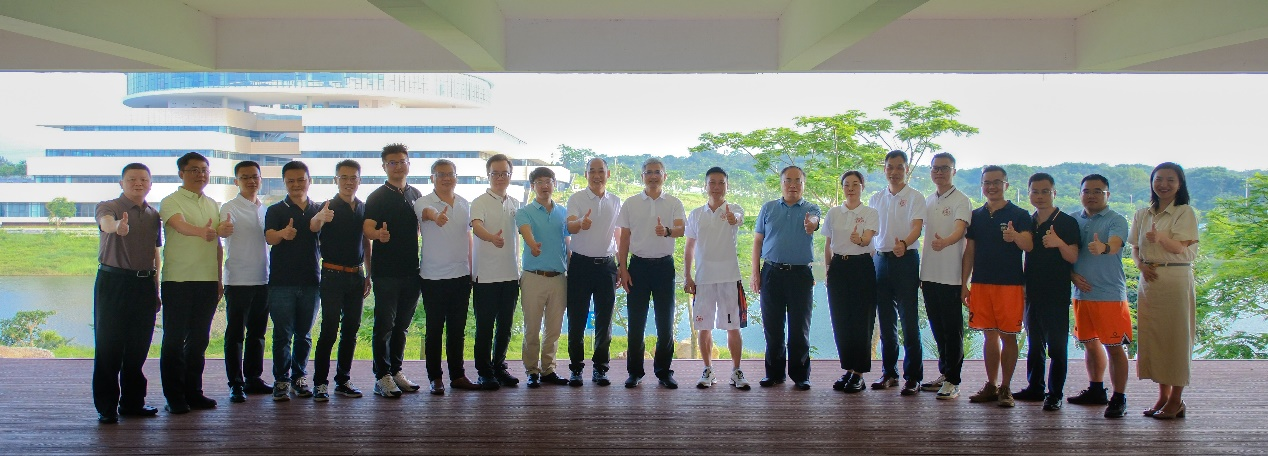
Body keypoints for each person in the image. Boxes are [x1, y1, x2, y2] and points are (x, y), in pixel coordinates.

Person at [92, 163, 161, 424]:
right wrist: (117, 226)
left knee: (138, 346)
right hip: (114, 282)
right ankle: (106, 407)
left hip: (144, 285)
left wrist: (156, 288)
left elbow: (155, 253)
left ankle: (132, 403)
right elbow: (106, 223)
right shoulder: (109, 206)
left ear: (150, 184)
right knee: (109, 346)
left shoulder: (153, 215)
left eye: (143, 179)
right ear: (121, 183)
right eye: (132, 179)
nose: (138, 183)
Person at [1129, 162, 1199, 420]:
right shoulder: (1142, 213)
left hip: (1175, 277)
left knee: (1176, 338)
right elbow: (1135, 249)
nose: (1163, 184)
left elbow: (1180, 248)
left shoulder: (1184, 211)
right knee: (1155, 338)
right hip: (1149, 280)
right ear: (1152, 182)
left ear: (1179, 185)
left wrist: (1160, 238)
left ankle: (1176, 400)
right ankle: (1163, 396)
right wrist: (1141, 266)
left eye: (1170, 180)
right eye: (1159, 179)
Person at [962, 165, 1033, 408]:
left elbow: (1029, 245)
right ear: (982, 185)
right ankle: (991, 385)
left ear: (1006, 185)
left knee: (1008, 336)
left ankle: (1006, 387)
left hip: (1010, 284)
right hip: (981, 284)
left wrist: (1015, 237)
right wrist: (964, 284)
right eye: (987, 182)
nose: (991, 187)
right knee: (988, 335)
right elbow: (969, 251)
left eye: (996, 182)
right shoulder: (976, 215)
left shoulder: (1020, 214)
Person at [158, 152, 223, 414]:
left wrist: (219, 279)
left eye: (204, 170)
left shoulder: (212, 204)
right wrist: (203, 232)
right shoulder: (170, 201)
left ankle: (194, 393)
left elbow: (218, 244)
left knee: (199, 341)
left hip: (207, 280)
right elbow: (179, 225)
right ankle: (174, 397)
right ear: (181, 173)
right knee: (174, 341)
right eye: (194, 170)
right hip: (178, 279)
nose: (200, 174)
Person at [617, 158, 686, 389]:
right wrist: (623, 268)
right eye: (648, 172)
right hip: (638, 267)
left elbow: (681, 229)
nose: (653, 176)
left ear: (665, 176)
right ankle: (635, 372)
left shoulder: (674, 203)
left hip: (664, 268)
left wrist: (666, 231)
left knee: (665, 323)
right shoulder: (631, 203)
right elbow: (624, 238)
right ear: (642, 176)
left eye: (657, 172)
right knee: (636, 322)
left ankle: (664, 372)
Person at [1014, 173, 1080, 411]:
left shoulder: (1066, 222)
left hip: (1056, 292)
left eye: (1045, 191)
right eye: (1035, 191)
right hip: (1032, 291)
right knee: (1034, 344)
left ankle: (1055, 393)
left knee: (1057, 347)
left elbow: (1073, 257)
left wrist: (1059, 243)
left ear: (1054, 193)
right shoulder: (1028, 221)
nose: (1040, 196)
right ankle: (1035, 387)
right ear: (1029, 193)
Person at [1069, 174, 1133, 418]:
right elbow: (1065, 255)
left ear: (1108, 195)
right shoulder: (1073, 220)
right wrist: (1071, 275)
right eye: (1087, 191)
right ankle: (1096, 390)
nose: (1092, 196)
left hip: (1110, 294)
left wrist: (1103, 247)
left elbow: (1115, 244)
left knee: (1115, 347)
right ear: (1080, 194)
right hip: (1081, 293)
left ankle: (1119, 397)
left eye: (1098, 191)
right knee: (1089, 343)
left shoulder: (1116, 219)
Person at [752, 165, 820, 391]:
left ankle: (801, 375)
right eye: (788, 180)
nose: (793, 185)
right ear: (781, 183)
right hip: (771, 272)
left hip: (800, 275)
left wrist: (811, 224)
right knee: (773, 327)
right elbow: (758, 241)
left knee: (800, 328)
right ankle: (774, 374)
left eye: (798, 180)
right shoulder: (768, 208)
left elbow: (815, 222)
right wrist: (755, 273)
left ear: (804, 184)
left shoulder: (811, 209)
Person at [363, 144, 424, 398]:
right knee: (384, 326)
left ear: (409, 164)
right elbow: (367, 228)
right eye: (392, 162)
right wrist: (378, 234)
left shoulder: (415, 194)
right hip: (386, 272)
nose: (398, 166)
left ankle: (396, 371)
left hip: (412, 270)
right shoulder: (377, 196)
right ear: (384, 166)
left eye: (402, 161)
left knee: (402, 326)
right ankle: (382, 376)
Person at [416, 159, 479, 394]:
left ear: (456, 177)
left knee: (457, 330)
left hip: (461, 276)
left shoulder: (464, 203)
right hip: (432, 278)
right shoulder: (423, 202)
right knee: (434, 330)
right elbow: (427, 213)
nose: (446, 178)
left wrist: (472, 270)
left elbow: (468, 236)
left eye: (450, 174)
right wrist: (436, 217)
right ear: (432, 178)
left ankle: (458, 375)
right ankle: (435, 378)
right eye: (440, 174)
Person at [310, 160, 372, 401]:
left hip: (356, 276)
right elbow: (313, 226)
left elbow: (366, 241)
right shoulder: (327, 206)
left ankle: (343, 380)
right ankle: (320, 383)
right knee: (329, 330)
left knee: (351, 330)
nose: (348, 182)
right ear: (336, 180)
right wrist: (320, 217)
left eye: (353, 177)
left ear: (359, 180)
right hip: (332, 276)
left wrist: (369, 274)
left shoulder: (363, 208)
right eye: (343, 177)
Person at [684, 167, 750, 390]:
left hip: (729, 277)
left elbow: (737, 219)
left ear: (727, 186)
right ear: (705, 185)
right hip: (703, 279)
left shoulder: (735, 209)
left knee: (733, 327)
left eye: (721, 182)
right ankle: (707, 369)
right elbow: (689, 246)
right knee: (704, 327)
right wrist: (687, 276)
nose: (716, 187)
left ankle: (736, 370)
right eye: (712, 182)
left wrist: (733, 218)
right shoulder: (696, 214)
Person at [869, 150, 927, 395]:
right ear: (884, 169)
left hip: (906, 260)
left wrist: (903, 243)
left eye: (899, 167)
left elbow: (917, 227)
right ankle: (889, 373)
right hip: (880, 261)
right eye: (890, 167)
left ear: (907, 169)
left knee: (909, 321)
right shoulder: (876, 198)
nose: (894, 172)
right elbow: (870, 232)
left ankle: (913, 377)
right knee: (886, 321)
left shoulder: (915, 197)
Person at [264, 161, 321, 401]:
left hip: (311, 281)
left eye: (301, 180)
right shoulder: (276, 210)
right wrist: (282, 234)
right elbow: (269, 237)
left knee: (304, 334)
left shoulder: (320, 210)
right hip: (281, 283)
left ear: (309, 181)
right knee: (282, 334)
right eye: (291, 181)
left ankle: (299, 377)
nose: (296, 185)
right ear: (284, 183)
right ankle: (281, 380)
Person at [918, 153, 973, 400]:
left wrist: (945, 242)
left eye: (944, 168)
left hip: (951, 276)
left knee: (952, 331)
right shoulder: (929, 200)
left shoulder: (962, 200)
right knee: (938, 328)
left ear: (954, 171)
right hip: (929, 274)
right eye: (935, 168)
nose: (939, 172)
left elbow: (960, 230)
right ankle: (944, 373)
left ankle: (953, 380)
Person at [564, 158, 622, 387]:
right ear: (585, 174)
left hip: (607, 266)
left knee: (604, 320)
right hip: (580, 265)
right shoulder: (576, 198)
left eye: (601, 171)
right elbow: (569, 226)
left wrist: (621, 265)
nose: (597, 175)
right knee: (576, 318)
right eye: (592, 171)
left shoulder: (616, 201)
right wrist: (580, 223)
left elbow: (618, 235)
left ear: (608, 174)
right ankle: (576, 369)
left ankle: (600, 369)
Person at [219, 160, 271, 404]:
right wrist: (223, 229)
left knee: (257, 334)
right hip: (238, 280)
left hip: (264, 279)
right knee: (235, 335)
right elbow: (223, 230)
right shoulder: (229, 207)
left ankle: (253, 378)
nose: (251, 181)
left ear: (260, 179)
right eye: (245, 177)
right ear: (236, 181)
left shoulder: (264, 209)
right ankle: (236, 383)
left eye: (254, 176)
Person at [822, 170, 877, 394]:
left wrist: (860, 240)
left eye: (855, 184)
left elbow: (868, 239)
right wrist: (828, 270)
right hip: (838, 267)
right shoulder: (834, 213)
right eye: (847, 184)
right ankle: (849, 368)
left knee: (861, 320)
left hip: (861, 266)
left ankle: (859, 373)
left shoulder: (870, 212)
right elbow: (828, 244)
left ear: (862, 187)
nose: (851, 188)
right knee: (841, 319)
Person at [470, 154, 522, 390]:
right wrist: (491, 237)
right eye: (495, 173)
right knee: (485, 327)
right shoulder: (479, 201)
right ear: (488, 175)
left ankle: (499, 367)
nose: (500, 178)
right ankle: (484, 371)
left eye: (504, 173)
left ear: (510, 175)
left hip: (511, 274)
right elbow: (477, 226)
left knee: (505, 326)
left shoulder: (515, 203)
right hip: (486, 276)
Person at [516, 167, 572, 388]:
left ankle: (548, 369)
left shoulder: (563, 212)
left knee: (554, 329)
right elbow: (526, 231)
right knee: (532, 328)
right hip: (533, 277)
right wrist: (533, 245)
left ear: (554, 184)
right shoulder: (525, 211)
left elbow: (567, 243)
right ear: (533, 186)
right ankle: (532, 370)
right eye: (539, 182)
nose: (544, 186)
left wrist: (571, 268)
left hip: (559, 277)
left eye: (548, 181)